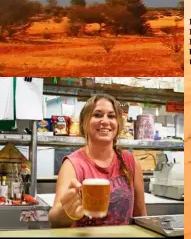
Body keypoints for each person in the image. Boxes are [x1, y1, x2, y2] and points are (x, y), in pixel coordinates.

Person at [48, 94, 147, 228]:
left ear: (118, 124)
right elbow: (55, 220)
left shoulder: (131, 162)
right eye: (98, 115)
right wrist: (67, 211)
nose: (105, 121)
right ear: (84, 123)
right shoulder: (73, 164)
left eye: (111, 116)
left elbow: (141, 215)